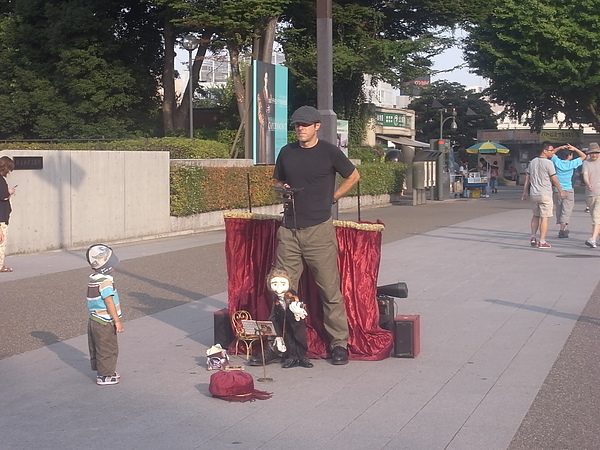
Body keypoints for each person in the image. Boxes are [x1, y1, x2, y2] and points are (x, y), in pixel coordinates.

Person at [272, 105, 360, 365]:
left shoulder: (330, 152)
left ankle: (338, 345)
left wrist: (333, 197)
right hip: (289, 229)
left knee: (329, 291)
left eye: (305, 124)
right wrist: (282, 187)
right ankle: (284, 344)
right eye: (297, 124)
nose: (300, 128)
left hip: (319, 230)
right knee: (282, 290)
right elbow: (277, 181)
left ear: (317, 126)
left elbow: (354, 175)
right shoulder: (286, 152)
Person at [85, 244, 124, 385]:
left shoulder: (94, 279)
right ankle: (105, 375)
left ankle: (105, 370)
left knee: (98, 346)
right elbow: (109, 302)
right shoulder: (106, 282)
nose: (114, 268)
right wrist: (117, 321)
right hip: (104, 321)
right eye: (112, 265)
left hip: (94, 319)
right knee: (108, 347)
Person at [521, 141, 566, 249]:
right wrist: (561, 190)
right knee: (544, 217)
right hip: (545, 193)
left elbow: (527, 177)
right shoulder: (548, 163)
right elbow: (554, 178)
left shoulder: (532, 162)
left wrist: (525, 191)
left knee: (535, 215)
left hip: (534, 193)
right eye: (551, 150)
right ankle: (542, 241)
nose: (552, 152)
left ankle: (533, 236)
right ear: (544, 151)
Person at [265, 268, 312, 369]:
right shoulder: (276, 300)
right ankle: (292, 357)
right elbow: (274, 317)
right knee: (289, 339)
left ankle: (302, 357)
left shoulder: (291, 296)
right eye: (274, 284)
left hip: (296, 323)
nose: (278, 289)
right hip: (285, 325)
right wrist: (277, 335)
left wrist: (297, 312)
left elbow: (299, 308)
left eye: (283, 284)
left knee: (299, 339)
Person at [551, 143, 586, 238]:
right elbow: (584, 156)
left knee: (559, 208)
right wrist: (574, 148)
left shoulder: (557, 162)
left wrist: (560, 147)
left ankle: (562, 228)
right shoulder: (572, 163)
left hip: (557, 189)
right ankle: (562, 229)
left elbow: (552, 153)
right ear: (570, 155)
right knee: (567, 210)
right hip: (568, 189)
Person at [581, 142, 600, 248]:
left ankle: (593, 239)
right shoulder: (586, 163)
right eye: (592, 153)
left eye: (596, 153)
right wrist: (588, 184)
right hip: (590, 194)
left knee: (596, 217)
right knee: (595, 217)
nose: (594, 155)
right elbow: (585, 174)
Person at [0, 156, 16, 273]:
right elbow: (3, 195)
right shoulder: (0, 180)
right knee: (1, 242)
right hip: (1, 217)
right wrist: (9, 192)